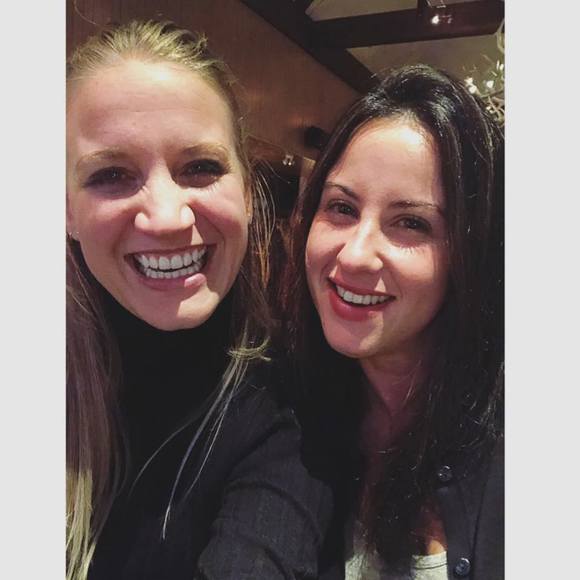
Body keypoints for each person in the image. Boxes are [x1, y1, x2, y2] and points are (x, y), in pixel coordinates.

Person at [66, 20, 334, 580]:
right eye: (112, 174)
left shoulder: (285, 416)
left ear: (247, 193)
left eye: (201, 168)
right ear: (65, 210)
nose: (167, 217)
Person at [282, 64, 504, 579]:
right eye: (341, 208)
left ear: (472, 252)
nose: (355, 255)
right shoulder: (289, 409)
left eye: (411, 223)